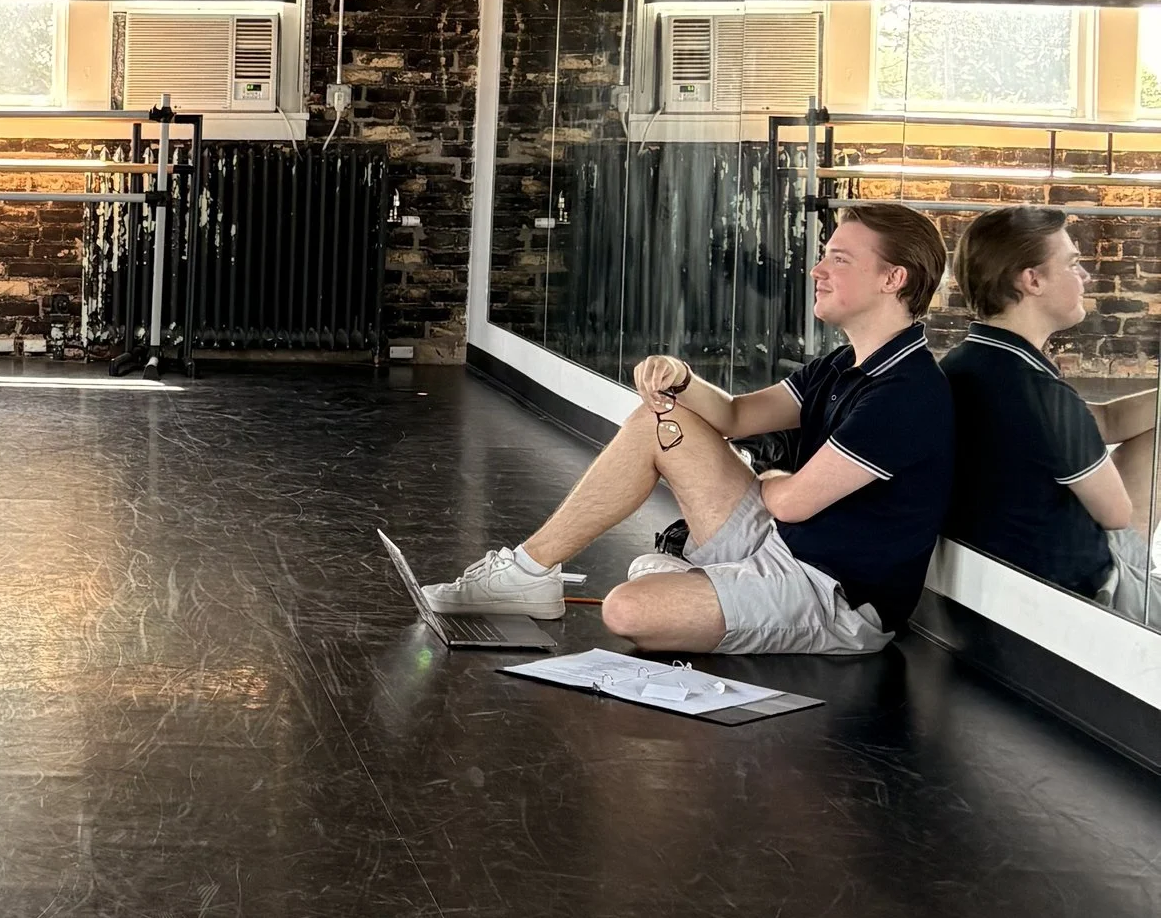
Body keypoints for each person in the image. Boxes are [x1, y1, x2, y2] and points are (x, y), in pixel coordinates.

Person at [425, 203, 956, 654]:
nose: (817, 270)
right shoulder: (844, 363)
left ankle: (694, 584)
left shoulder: (906, 392)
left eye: (838, 259)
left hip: (830, 593)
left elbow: (792, 502)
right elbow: (737, 417)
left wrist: (771, 479)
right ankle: (526, 572)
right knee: (662, 419)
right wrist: (679, 378)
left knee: (628, 610)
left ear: (894, 278)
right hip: (782, 542)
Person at [942, 207, 1155, 607]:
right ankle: (1139, 588)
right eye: (1073, 263)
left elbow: (1102, 421)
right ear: (1032, 279)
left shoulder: (972, 362)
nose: (1085, 276)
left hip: (992, 577)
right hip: (1073, 593)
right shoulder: (1039, 391)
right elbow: (1118, 515)